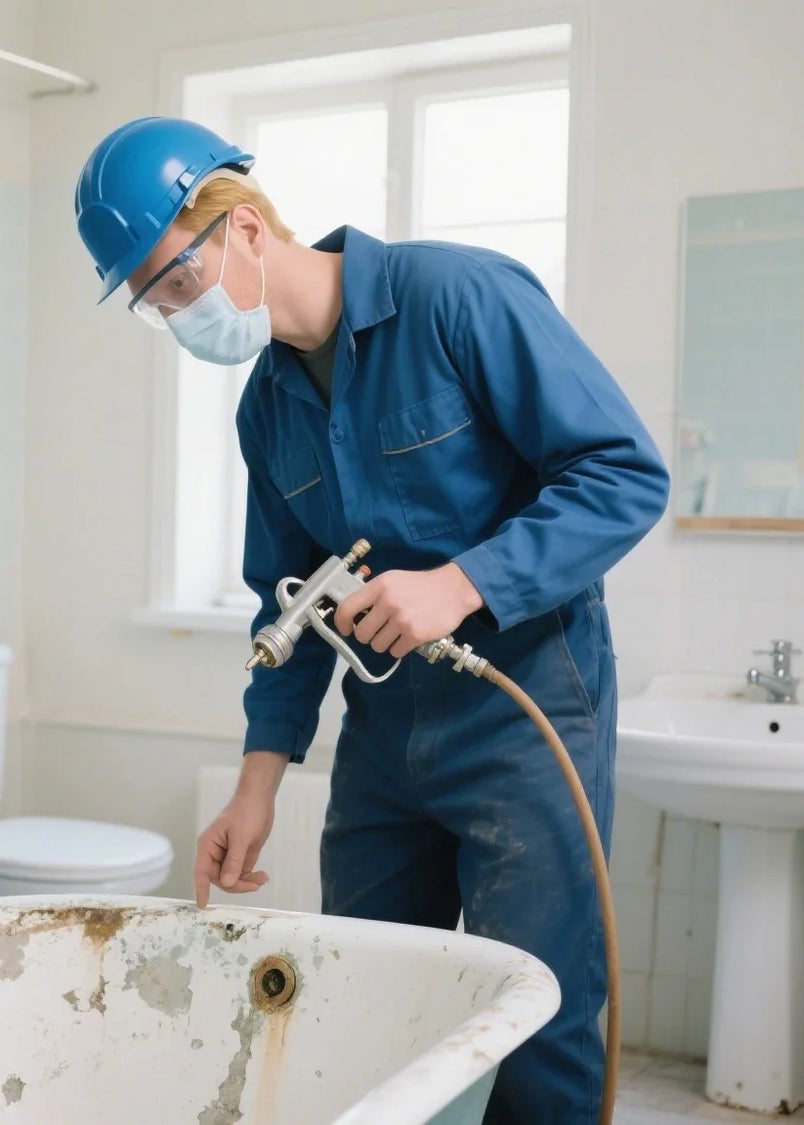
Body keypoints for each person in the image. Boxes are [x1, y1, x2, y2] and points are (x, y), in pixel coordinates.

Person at [74, 115, 669, 1123]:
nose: (180, 315)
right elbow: (289, 602)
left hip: (524, 716)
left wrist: (463, 582)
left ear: (249, 227)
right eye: (156, 303)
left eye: (180, 279)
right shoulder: (265, 410)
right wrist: (258, 785)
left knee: (539, 1026)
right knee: (362, 1008)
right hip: (387, 740)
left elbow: (624, 474)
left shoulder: (458, 298)